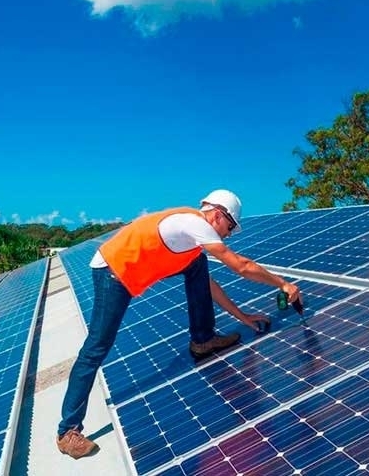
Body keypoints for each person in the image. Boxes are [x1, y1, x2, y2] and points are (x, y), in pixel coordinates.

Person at [56, 189, 302, 459]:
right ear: (218, 216)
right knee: (97, 346)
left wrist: (242, 316)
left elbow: (209, 287)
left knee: (198, 267)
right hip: (113, 271)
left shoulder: (192, 242)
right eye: (230, 227)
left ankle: (203, 340)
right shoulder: (194, 224)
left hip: (131, 269)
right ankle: (68, 431)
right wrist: (283, 284)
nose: (229, 234)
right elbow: (240, 266)